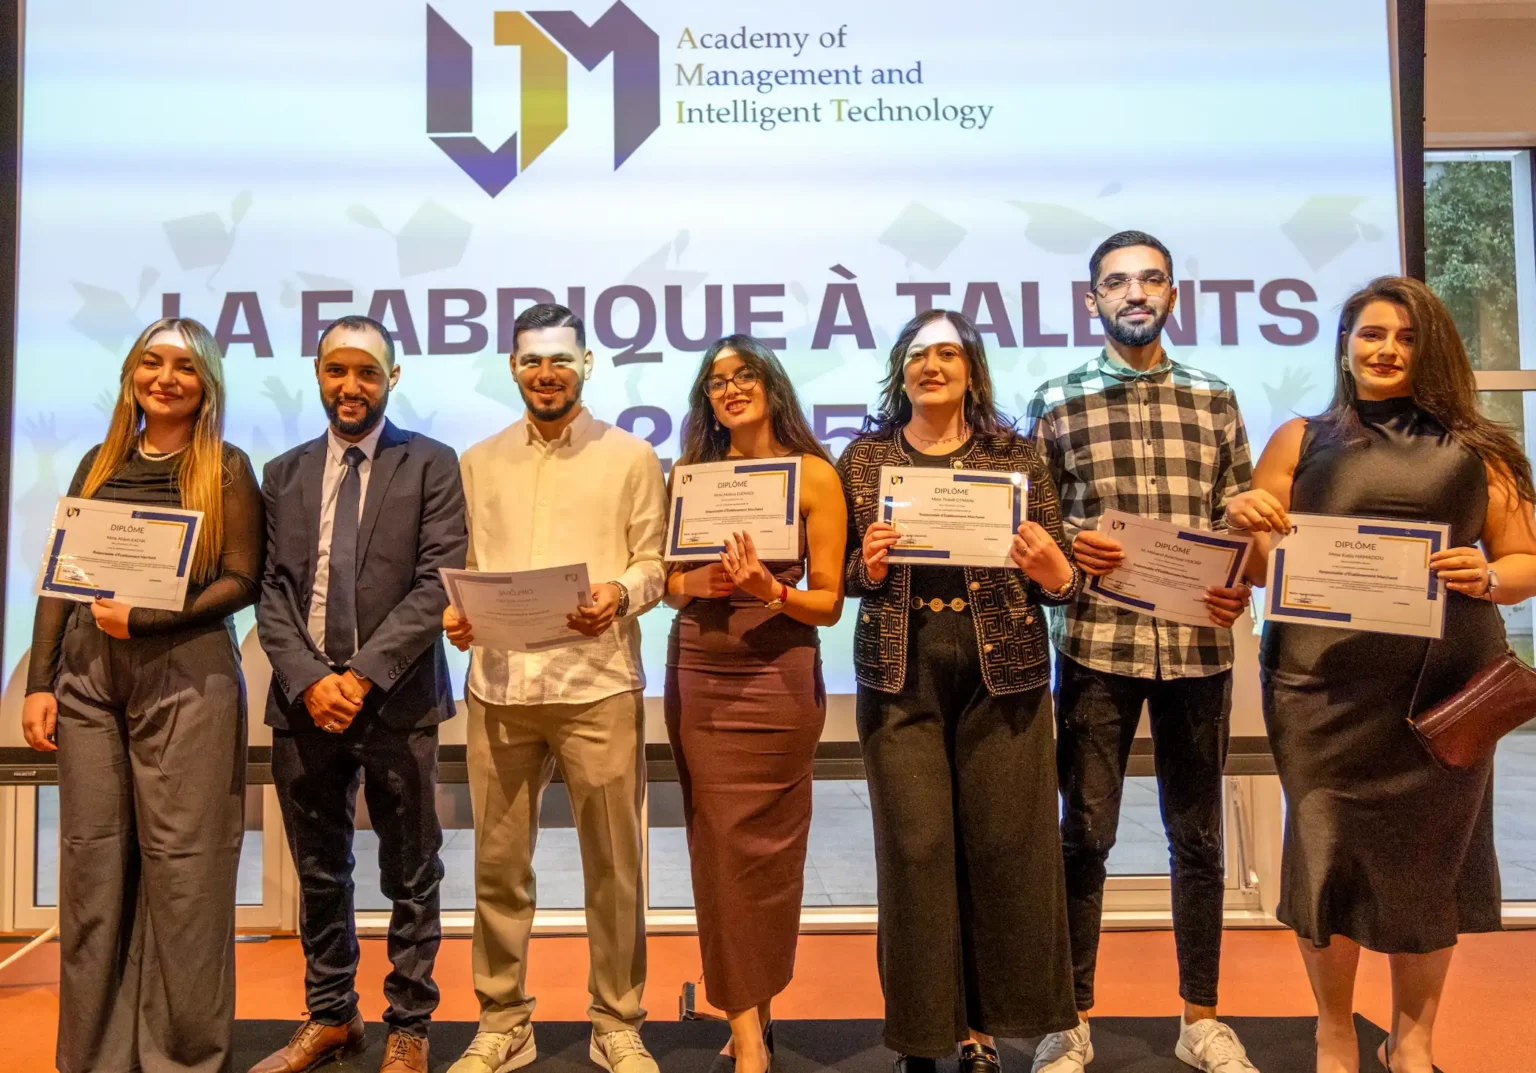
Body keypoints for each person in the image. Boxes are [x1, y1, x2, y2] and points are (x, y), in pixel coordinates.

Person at [1225, 276, 1536, 1073]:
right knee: (1324, 856)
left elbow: (1524, 560)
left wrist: (1487, 575)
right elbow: (1259, 566)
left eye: (1406, 336)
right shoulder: (1300, 438)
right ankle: (1335, 1033)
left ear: (1432, 349)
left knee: (1430, 867)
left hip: (1440, 694)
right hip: (1319, 692)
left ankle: (1413, 1040)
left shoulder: (1483, 448)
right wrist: (1244, 517)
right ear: (1344, 345)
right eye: (1371, 334)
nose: (1387, 349)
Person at [1025, 231, 1259, 1073]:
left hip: (1199, 648)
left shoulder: (1216, 397)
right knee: (1083, 836)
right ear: (1092, 299)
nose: (1136, 293)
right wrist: (1069, 543)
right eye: (1118, 282)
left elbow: (1239, 516)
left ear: (1172, 295)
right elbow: (1033, 524)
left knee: (1198, 839)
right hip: (1097, 646)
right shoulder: (1055, 400)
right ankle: (1070, 1020)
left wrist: (1242, 578)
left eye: (1151, 279)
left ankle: (1201, 1018)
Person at [837, 309, 1080, 1073]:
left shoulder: (1016, 454)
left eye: (947, 353)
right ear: (901, 371)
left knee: (1002, 848)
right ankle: (922, 1036)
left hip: (1001, 674)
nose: (932, 366)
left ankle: (982, 1031)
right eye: (918, 355)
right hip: (900, 673)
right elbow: (840, 572)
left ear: (971, 370)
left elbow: (1060, 571)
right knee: (916, 851)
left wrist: (1057, 572)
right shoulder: (864, 458)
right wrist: (868, 566)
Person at [20, 318, 263, 1073]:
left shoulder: (225, 467)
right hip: (89, 679)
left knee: (186, 870)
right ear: (131, 374)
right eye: (151, 363)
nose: (166, 378)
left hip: (186, 672)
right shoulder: (97, 462)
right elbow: (61, 579)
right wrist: (39, 682)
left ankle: (182, 1058)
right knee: (91, 865)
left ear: (206, 384)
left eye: (184, 367)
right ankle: (94, 1057)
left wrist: (148, 618)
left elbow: (242, 578)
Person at [444, 303, 667, 1073]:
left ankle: (617, 1020)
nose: (547, 373)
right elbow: (466, 566)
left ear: (587, 366)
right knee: (498, 867)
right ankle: (504, 1020)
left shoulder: (631, 456)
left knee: (615, 865)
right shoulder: (478, 461)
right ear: (513, 366)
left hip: (597, 683)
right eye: (534, 360)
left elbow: (654, 563)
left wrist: (620, 592)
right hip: (500, 687)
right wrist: (457, 613)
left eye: (562, 360)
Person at [251, 315, 467, 1073]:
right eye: (337, 370)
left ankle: (409, 1023)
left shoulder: (432, 463)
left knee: (411, 871)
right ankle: (331, 1014)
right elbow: (271, 592)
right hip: (303, 702)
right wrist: (313, 680)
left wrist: (360, 674)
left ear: (392, 378)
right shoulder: (282, 473)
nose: (351, 386)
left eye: (367, 372)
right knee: (319, 869)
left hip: (397, 701)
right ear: (317, 374)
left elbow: (437, 581)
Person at [663, 335, 847, 1073]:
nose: (730, 389)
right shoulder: (690, 476)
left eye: (743, 376)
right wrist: (696, 584)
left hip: (779, 674)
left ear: (771, 385)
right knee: (718, 849)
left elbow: (829, 602)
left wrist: (771, 591)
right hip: (702, 669)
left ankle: (755, 1010)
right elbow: (669, 584)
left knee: (768, 855)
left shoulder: (814, 475)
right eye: (716, 382)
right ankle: (746, 1035)